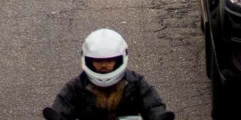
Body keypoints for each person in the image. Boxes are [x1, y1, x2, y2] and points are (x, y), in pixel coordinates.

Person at [44, 30, 173, 120]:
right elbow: (62, 106)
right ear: (88, 60)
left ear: (119, 60)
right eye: (98, 61)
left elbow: (153, 105)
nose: (104, 65)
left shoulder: (135, 82)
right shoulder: (76, 86)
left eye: (109, 60)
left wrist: (159, 116)